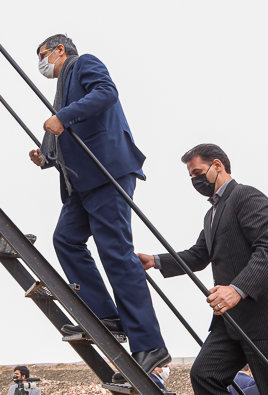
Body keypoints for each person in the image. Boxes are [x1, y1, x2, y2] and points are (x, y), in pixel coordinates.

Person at [28, 34, 169, 381]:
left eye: (43, 55)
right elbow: (67, 132)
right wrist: (46, 157)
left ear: (60, 50)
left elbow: (106, 93)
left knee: (116, 253)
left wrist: (63, 117)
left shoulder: (83, 64)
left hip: (107, 172)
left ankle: (150, 344)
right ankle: (107, 315)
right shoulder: (61, 88)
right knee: (65, 239)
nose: (41, 64)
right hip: (81, 183)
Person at [137, 143, 268, 395]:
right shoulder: (211, 214)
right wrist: (154, 261)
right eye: (191, 176)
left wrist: (236, 289)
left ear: (217, 165)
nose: (195, 181)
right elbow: (198, 255)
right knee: (205, 375)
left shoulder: (246, 196)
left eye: (198, 173)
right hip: (232, 320)